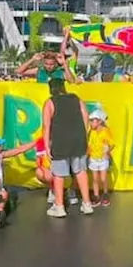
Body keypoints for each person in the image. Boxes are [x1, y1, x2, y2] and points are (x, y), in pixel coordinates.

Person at [42, 78, 94, 217]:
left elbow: (46, 126)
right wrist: (84, 136)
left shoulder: (50, 102)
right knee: (80, 171)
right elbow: (86, 118)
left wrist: (47, 145)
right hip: (78, 139)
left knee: (58, 174)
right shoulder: (76, 99)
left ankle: (59, 207)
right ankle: (87, 204)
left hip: (60, 141)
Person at [86, 109, 114, 207]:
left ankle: (105, 193)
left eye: (93, 120)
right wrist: (87, 155)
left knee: (103, 178)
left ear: (99, 121)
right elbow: (89, 145)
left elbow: (111, 144)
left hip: (102, 159)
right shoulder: (91, 132)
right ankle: (96, 195)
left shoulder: (105, 131)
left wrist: (107, 151)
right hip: (93, 158)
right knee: (95, 179)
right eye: (90, 120)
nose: (90, 122)